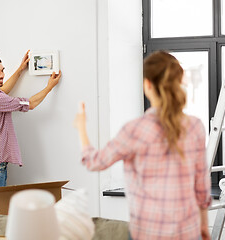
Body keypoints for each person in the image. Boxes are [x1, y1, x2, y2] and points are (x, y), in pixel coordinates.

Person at [74, 51, 211, 240]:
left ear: (147, 85)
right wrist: (203, 223)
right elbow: (201, 185)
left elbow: (94, 162)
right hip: (189, 232)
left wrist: (81, 127)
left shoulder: (134, 130)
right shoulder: (195, 127)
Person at [0, 50, 61, 189]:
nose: (1, 75)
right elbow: (30, 104)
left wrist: (20, 69)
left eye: (2, 70)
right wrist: (49, 86)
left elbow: (2, 91)